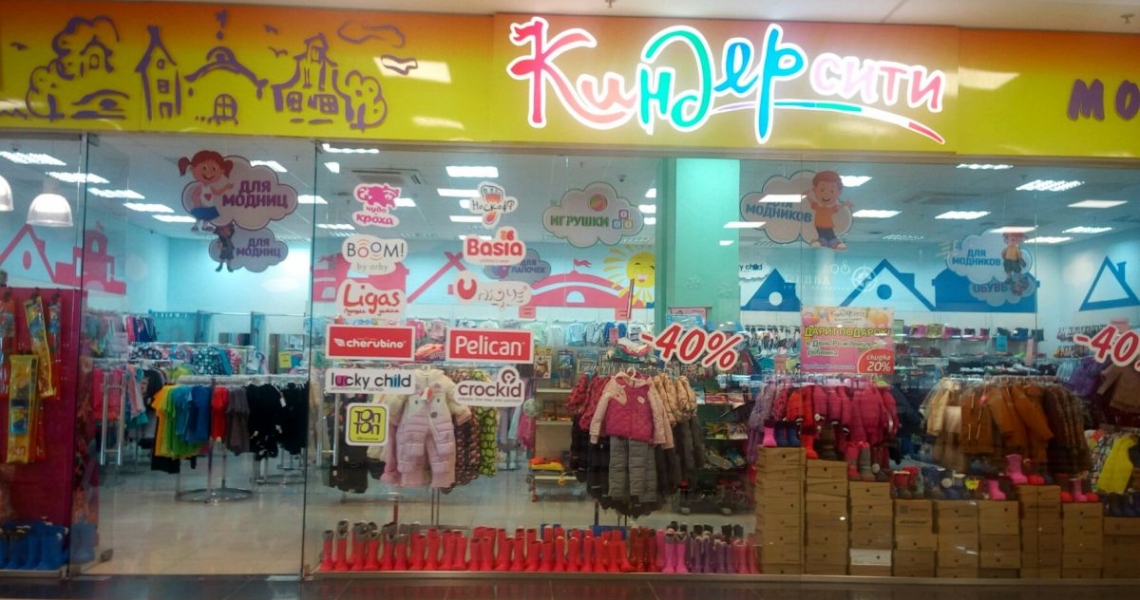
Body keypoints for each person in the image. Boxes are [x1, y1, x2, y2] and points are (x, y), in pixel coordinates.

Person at [178, 150, 234, 232]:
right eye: (204, 168)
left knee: (207, 217)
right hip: (202, 206)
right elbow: (194, 196)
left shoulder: (210, 188)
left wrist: (226, 187)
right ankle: (196, 225)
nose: (209, 172)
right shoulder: (201, 188)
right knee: (199, 216)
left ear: (221, 171)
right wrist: (196, 202)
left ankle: (205, 226)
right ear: (193, 169)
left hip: (209, 206)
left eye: (214, 169)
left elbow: (218, 193)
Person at [807, 171, 854, 251]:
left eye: (832, 191)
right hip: (819, 226)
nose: (826, 194)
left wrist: (845, 204)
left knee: (831, 235)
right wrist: (807, 196)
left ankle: (833, 243)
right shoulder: (818, 206)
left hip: (828, 225)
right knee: (822, 235)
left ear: (839, 192)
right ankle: (822, 242)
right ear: (815, 190)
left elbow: (838, 208)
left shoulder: (830, 208)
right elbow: (811, 202)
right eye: (822, 190)